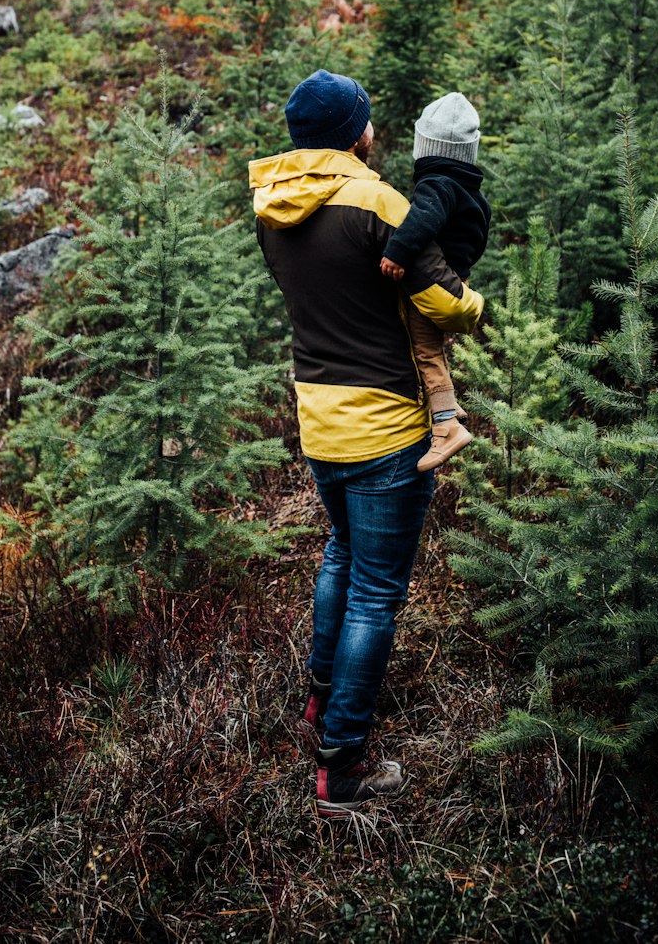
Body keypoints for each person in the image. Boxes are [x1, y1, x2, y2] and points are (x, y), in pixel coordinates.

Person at [248, 69, 484, 817]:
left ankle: (321, 704)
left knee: (342, 557)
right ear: (359, 133)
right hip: (385, 422)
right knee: (376, 594)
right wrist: (475, 304)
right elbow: (444, 302)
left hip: (318, 415)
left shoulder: (270, 207)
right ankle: (342, 764)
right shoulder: (380, 201)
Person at [379, 92, 491, 472]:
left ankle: (446, 425)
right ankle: (448, 400)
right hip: (455, 275)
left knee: (424, 348)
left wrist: (398, 251)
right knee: (434, 347)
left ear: (425, 147)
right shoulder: (470, 190)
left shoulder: (436, 185)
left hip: (434, 279)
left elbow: (422, 218)